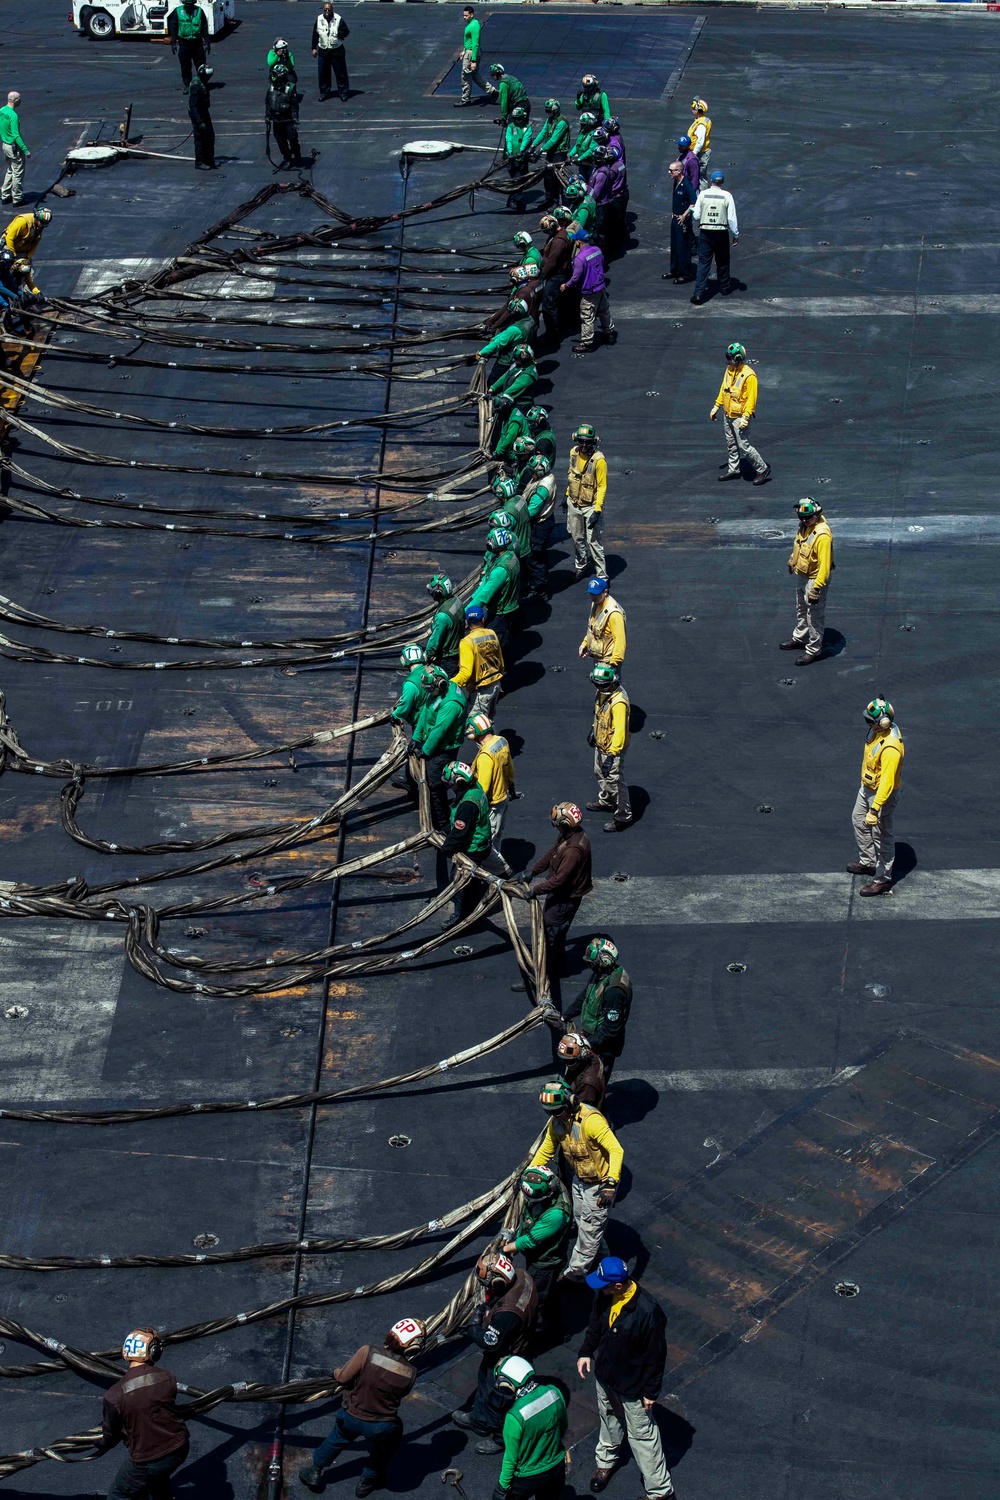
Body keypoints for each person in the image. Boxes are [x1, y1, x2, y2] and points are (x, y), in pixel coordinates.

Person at [577, 1259, 673, 1500]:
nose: (599, 1289)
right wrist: (586, 1351)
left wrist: (651, 1392)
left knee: (642, 1435)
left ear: (619, 1285)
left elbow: (656, 1356)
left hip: (633, 1386)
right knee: (608, 1418)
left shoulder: (647, 1311)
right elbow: (595, 1325)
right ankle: (606, 1462)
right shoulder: (605, 1295)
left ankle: (661, 1492)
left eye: (605, 1286)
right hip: (606, 1376)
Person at [298, 1318, 426, 1496]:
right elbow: (400, 1394)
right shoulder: (411, 1373)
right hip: (381, 1426)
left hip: (351, 1415)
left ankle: (315, 1470)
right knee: (389, 1442)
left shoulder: (367, 1352)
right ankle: (368, 1480)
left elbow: (343, 1378)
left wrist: (334, 1372)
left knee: (338, 1436)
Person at [529, 1080, 623, 1279]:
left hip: (600, 1185)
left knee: (590, 1228)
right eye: (549, 1112)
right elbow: (546, 1151)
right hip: (579, 1180)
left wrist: (611, 1183)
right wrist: (529, 1174)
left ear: (570, 1103)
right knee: (582, 1222)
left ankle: (574, 1275)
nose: (554, 1116)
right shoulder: (557, 1122)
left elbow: (616, 1149)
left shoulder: (591, 1121)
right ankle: (602, 1258)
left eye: (557, 1111)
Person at [453, 1250, 538, 1454]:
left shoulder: (507, 1312)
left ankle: (501, 1438)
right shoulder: (522, 1275)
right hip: (518, 1343)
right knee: (484, 1379)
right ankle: (479, 1421)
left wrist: (473, 1328)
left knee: (500, 1398)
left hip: (508, 1358)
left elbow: (490, 1342)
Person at [95, 1328, 189, 1500]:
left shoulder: (113, 1396)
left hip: (148, 1459)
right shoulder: (168, 1378)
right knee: (159, 1481)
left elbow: (110, 1434)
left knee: (118, 1494)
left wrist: (101, 1443)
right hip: (180, 1447)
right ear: (154, 1352)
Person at [524, 802, 593, 1003]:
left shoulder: (573, 850)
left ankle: (542, 977)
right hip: (560, 895)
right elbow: (553, 852)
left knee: (549, 937)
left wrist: (535, 890)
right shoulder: (570, 835)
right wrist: (533, 871)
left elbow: (558, 880)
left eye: (557, 824)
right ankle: (557, 967)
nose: (556, 827)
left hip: (565, 899)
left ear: (564, 824)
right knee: (556, 936)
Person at [501, 1167, 573, 1333]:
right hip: (536, 1257)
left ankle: (537, 1332)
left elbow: (531, 1241)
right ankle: (556, 1323)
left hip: (545, 1264)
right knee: (549, 1294)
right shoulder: (542, 1189)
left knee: (534, 1298)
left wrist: (505, 1249)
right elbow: (526, 1218)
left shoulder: (556, 1214)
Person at [848, 696, 904, 896]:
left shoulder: (891, 749)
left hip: (882, 795)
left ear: (883, 722)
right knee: (858, 821)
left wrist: (874, 809)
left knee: (881, 836)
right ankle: (869, 862)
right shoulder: (877, 731)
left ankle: (882, 880)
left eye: (869, 721)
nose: (867, 724)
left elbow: (887, 784)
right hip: (868, 787)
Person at [491, 1356, 568, 1500]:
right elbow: (563, 1427)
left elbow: (511, 1458)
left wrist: (502, 1487)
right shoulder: (554, 1392)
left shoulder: (514, 1416)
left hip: (526, 1476)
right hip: (556, 1467)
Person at [563, 937, 631, 1078]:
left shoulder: (614, 991)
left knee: (594, 1081)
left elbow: (611, 1029)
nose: (590, 967)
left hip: (604, 1046)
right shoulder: (600, 974)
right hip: (592, 1039)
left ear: (603, 962)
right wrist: (566, 1015)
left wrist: (587, 1043)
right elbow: (585, 996)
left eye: (591, 963)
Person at [411, 666, 468, 830]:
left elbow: (440, 730)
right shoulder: (437, 692)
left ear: (440, 685)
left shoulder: (451, 704)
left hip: (443, 748)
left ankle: (442, 824)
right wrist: (416, 737)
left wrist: (426, 751)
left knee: (436, 785)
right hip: (432, 743)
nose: (429, 693)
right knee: (433, 783)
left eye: (430, 689)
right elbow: (426, 711)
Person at [440, 759, 495, 922]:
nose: (450, 787)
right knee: (473, 880)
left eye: (451, 784)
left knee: (459, 881)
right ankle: (473, 901)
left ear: (459, 783)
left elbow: (459, 833)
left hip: (472, 849)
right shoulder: (475, 788)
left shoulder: (467, 805)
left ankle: (461, 916)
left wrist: (446, 848)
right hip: (482, 843)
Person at [781, 497, 833, 664]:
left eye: (808, 517)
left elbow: (824, 567)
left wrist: (816, 589)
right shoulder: (804, 527)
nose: (804, 520)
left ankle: (813, 650)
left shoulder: (822, 535)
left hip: (815, 578)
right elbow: (799, 545)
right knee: (801, 609)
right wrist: (792, 560)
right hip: (803, 574)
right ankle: (800, 638)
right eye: (802, 518)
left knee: (814, 615)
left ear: (817, 515)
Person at [711, 341, 770, 485]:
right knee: (731, 444)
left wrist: (746, 417)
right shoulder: (729, 370)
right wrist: (716, 406)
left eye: (730, 357)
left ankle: (762, 469)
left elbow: (751, 399)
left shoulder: (749, 376)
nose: (728, 360)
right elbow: (724, 388)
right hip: (728, 414)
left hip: (740, 417)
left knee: (744, 446)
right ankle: (734, 470)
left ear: (737, 358)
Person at [466, 712, 516, 877]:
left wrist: (474, 809)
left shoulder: (486, 755)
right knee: (496, 838)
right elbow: (510, 769)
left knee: (485, 841)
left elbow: (483, 787)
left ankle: (502, 871)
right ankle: (491, 869)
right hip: (503, 797)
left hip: (492, 804)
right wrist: (511, 786)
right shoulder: (502, 742)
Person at [588, 663, 631, 832]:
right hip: (601, 742)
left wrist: (613, 755)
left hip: (613, 748)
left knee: (616, 781)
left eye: (601, 685)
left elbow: (620, 731)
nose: (598, 688)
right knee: (599, 772)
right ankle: (607, 800)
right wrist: (593, 729)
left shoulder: (619, 702)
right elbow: (598, 713)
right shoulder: (602, 691)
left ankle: (623, 816)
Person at [561, 227, 615, 354]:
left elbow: (576, 277)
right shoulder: (597, 250)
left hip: (589, 291)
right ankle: (609, 333)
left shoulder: (579, 259)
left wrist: (566, 285)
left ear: (578, 242)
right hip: (600, 286)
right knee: (604, 311)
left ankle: (587, 342)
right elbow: (602, 262)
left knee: (587, 316)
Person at [690, 169, 739, 305]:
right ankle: (724, 287)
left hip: (705, 232)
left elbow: (696, 216)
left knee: (703, 263)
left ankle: (698, 294)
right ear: (722, 182)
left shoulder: (703, 194)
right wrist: (735, 235)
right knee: (723, 261)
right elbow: (731, 219)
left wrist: (694, 210)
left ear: (711, 181)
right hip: (721, 232)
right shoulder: (727, 195)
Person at [565, 424, 607, 580]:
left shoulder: (599, 461)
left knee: (594, 542)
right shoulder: (573, 453)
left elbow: (602, 487)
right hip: (574, 503)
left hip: (590, 506)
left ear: (593, 442)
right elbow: (572, 475)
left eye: (587, 442)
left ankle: (602, 576)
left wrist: (597, 510)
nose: (584, 445)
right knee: (577, 538)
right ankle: (581, 565)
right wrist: (567, 494)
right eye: (581, 441)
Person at [470, 526, 521, 653]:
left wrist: (465, 612)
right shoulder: (511, 556)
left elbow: (483, 598)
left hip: (499, 613)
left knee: (496, 644)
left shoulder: (500, 571)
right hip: (511, 605)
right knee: (506, 636)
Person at [454, 603, 505, 718]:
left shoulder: (467, 642)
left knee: (474, 729)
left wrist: (450, 683)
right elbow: (500, 661)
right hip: (496, 684)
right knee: (488, 720)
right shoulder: (492, 634)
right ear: (483, 619)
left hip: (481, 690)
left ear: (467, 622)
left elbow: (466, 672)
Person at [524, 455, 557, 596]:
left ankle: (539, 590)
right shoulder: (547, 477)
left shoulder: (543, 487)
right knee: (541, 553)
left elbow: (532, 510)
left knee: (534, 556)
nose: (531, 473)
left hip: (541, 524)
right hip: (546, 520)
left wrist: (518, 517)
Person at [538, 213, 571, 343]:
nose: (546, 233)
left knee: (548, 304)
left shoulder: (558, 241)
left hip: (556, 276)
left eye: (547, 231)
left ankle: (553, 334)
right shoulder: (557, 235)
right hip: (556, 274)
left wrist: (541, 277)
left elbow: (552, 261)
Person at [578, 577, 626, 667]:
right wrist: (585, 643)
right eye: (591, 594)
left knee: (606, 681)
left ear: (605, 592)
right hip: (598, 658)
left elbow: (620, 641)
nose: (593, 597)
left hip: (609, 662)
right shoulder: (596, 604)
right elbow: (593, 628)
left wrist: (613, 664)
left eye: (596, 594)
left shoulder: (614, 614)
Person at [424, 573, 465, 678]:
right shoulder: (456, 600)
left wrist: (426, 656)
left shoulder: (442, 616)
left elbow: (434, 642)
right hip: (457, 650)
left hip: (447, 658)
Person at [663, 159, 697, 283]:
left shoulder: (686, 184)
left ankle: (685, 273)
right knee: (675, 246)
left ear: (679, 171)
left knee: (683, 247)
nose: (669, 172)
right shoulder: (676, 182)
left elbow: (694, 202)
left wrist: (684, 215)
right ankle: (674, 269)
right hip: (675, 218)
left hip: (682, 220)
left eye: (671, 170)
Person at [531, 100, 570, 207]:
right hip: (551, 152)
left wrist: (541, 149)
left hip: (559, 154)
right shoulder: (550, 120)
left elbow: (554, 140)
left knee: (556, 179)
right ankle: (549, 199)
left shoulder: (562, 122)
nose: (547, 113)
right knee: (547, 177)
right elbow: (543, 133)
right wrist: (533, 146)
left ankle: (556, 202)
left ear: (555, 111)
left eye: (549, 111)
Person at [266, 65, 304, 169]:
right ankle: (287, 158)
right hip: (276, 119)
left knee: (292, 139)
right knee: (280, 140)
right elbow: (268, 102)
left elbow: (294, 106)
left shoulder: (290, 88)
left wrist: (295, 119)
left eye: (275, 74)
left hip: (288, 119)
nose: (273, 76)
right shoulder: (271, 87)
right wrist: (267, 116)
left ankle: (297, 156)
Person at [312, 3, 350, 102]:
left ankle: (343, 93)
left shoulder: (338, 19)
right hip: (323, 50)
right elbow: (315, 34)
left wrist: (338, 33)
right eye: (325, 10)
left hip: (336, 50)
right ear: (323, 10)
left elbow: (346, 31)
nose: (327, 12)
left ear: (332, 10)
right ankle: (324, 93)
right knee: (323, 73)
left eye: (329, 10)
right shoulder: (319, 19)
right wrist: (314, 48)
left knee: (340, 73)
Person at [558, 1030, 606, 1109]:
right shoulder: (592, 1057)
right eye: (564, 1060)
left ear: (582, 1056)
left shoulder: (587, 1084)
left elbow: (582, 1111)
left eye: (570, 1061)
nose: (567, 1064)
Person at [168, 0, 210, 89]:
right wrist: (173, 43)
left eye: (191, 5)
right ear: (184, 4)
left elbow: (204, 27)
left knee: (201, 65)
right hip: (184, 43)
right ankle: (187, 85)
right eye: (187, 5)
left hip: (197, 43)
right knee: (185, 66)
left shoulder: (199, 11)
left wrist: (207, 42)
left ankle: (202, 83)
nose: (189, 7)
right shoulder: (178, 11)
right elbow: (173, 26)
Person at [457, 6, 491, 107]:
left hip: (471, 53)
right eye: (464, 15)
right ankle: (492, 91)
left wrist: (473, 61)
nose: (464, 17)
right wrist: (464, 50)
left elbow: (475, 44)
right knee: (475, 75)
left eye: (466, 16)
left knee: (465, 76)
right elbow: (469, 41)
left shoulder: (474, 26)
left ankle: (465, 99)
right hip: (469, 51)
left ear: (472, 15)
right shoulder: (471, 24)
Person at [0, 93, 28, 208]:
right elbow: (16, 135)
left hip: (5, 145)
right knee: (18, 173)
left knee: (10, 170)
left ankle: (5, 194)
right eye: (19, 99)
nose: (20, 100)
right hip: (14, 147)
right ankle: (17, 198)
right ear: (15, 100)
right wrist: (25, 150)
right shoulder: (13, 115)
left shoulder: (2, 110)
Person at [390, 643, 427, 731]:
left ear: (404, 661)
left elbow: (405, 706)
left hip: (424, 725)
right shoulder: (436, 670)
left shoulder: (410, 684)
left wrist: (395, 716)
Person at [503, 106, 534, 210]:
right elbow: (509, 139)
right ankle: (518, 200)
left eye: (518, 118)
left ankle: (513, 199)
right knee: (516, 179)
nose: (517, 121)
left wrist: (521, 151)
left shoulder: (527, 128)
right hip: (511, 158)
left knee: (520, 179)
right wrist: (510, 152)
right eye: (515, 118)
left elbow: (526, 139)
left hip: (522, 158)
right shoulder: (511, 127)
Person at [187, 63, 216, 171]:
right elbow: (193, 106)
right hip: (198, 114)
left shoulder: (203, 83)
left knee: (210, 136)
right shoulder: (196, 86)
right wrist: (199, 122)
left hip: (203, 112)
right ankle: (199, 161)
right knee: (200, 138)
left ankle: (209, 159)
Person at [490, 343, 537, 408]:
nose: (514, 359)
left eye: (516, 358)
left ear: (524, 360)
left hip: (521, 406)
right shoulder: (518, 365)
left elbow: (512, 390)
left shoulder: (527, 375)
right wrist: (493, 387)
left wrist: (495, 398)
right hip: (512, 401)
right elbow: (507, 375)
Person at [493, 398, 530, 464]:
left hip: (519, 452)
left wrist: (498, 454)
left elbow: (508, 440)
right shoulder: (510, 414)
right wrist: (496, 452)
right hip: (513, 447)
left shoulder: (514, 421)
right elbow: (503, 435)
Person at [568, 110, 601, 176]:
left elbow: (591, 150)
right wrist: (570, 154)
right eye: (581, 124)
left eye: (584, 125)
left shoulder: (594, 134)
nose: (582, 126)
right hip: (582, 164)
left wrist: (580, 158)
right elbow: (578, 145)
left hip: (590, 164)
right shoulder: (582, 132)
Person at [689, 97, 712, 171]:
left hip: (700, 154)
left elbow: (700, 141)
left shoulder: (701, 124)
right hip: (699, 152)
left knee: (700, 176)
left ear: (697, 110)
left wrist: (693, 154)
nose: (692, 110)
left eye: (693, 109)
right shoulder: (701, 120)